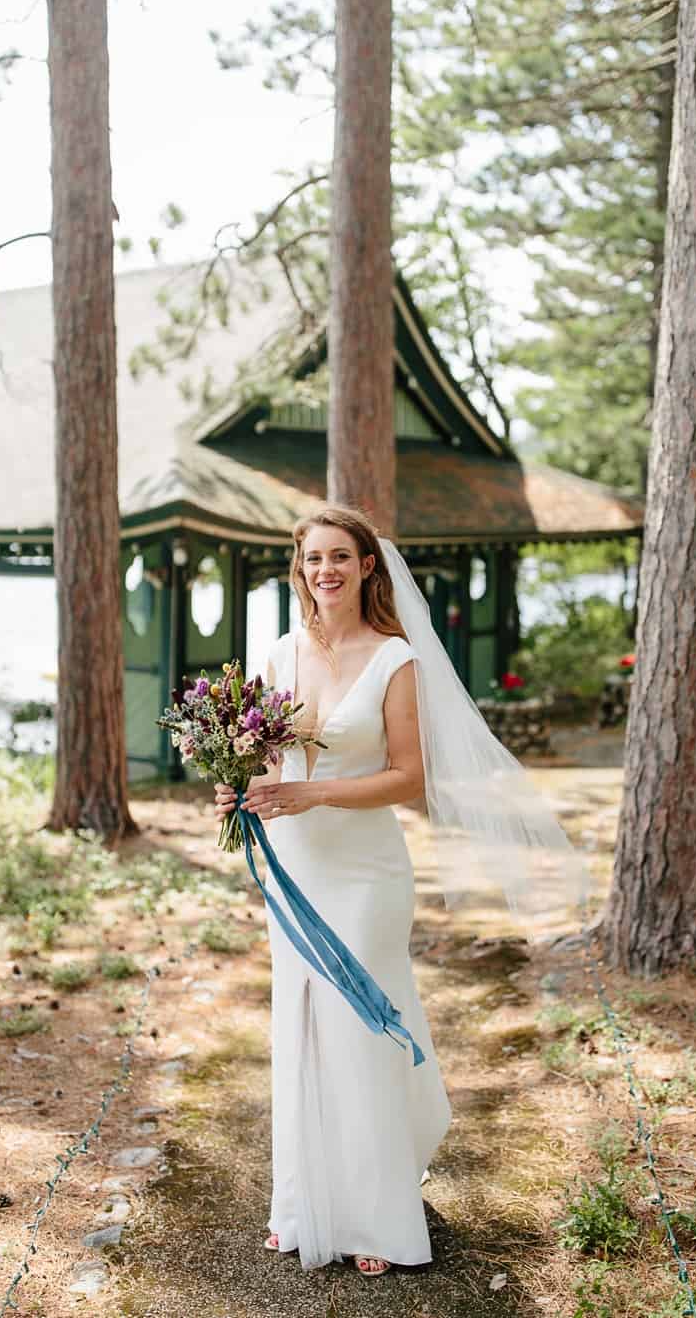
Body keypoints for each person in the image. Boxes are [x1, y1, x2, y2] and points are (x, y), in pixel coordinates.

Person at [213, 507, 448, 1278]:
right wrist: (242, 793)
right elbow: (273, 768)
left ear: (367, 566)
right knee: (305, 1028)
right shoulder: (279, 657)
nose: (327, 571)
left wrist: (316, 796)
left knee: (360, 1029)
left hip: (367, 871)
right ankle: (303, 1203)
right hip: (298, 865)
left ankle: (379, 1217)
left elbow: (409, 777)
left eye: (341, 557)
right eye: (314, 559)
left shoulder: (393, 660)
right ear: (301, 569)